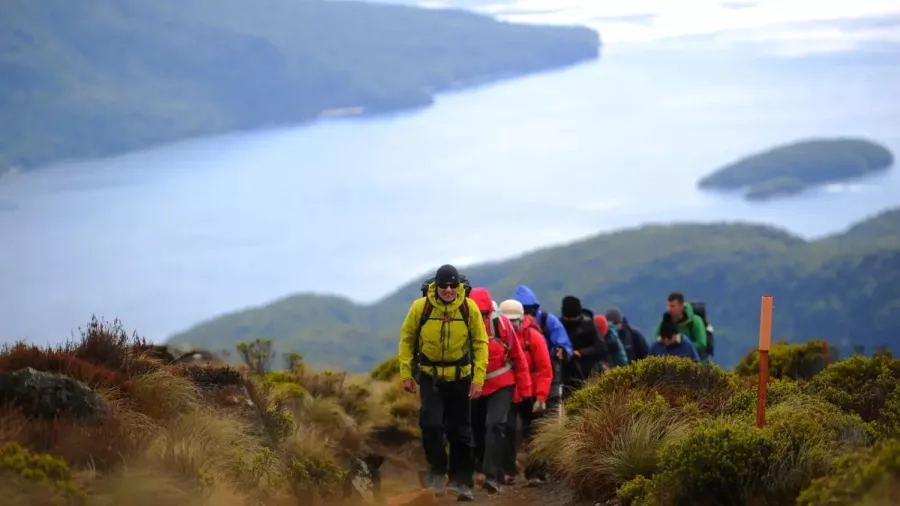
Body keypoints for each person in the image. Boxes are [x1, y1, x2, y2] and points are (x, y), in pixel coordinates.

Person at [398, 264, 489, 501]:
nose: (448, 290)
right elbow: (407, 339)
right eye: (443, 285)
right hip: (430, 377)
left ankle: (462, 482)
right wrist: (406, 374)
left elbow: (480, 343)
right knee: (431, 426)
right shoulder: (421, 307)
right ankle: (437, 470)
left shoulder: (469, 308)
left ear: (458, 286)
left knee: (462, 432)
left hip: (461, 378)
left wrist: (478, 379)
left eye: (452, 285)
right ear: (435, 286)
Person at [469, 288, 532, 494]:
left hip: (502, 384)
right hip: (474, 387)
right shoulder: (463, 329)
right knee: (477, 430)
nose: (481, 318)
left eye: (484, 314)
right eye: (476, 314)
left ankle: (491, 475)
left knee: (495, 425)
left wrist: (525, 390)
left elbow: (518, 357)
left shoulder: (502, 325)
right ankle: (484, 469)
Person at [497, 299, 553, 487]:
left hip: (531, 391)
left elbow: (545, 369)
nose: (512, 324)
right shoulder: (496, 339)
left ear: (522, 318)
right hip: (508, 392)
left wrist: (541, 396)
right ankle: (507, 471)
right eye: (508, 320)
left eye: (515, 320)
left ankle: (536, 472)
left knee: (534, 431)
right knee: (507, 429)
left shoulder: (534, 338)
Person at [512, 285, 573, 414]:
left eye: (529, 310)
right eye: (523, 311)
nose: (527, 315)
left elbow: (564, 343)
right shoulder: (511, 324)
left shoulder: (548, 320)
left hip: (549, 367)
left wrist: (562, 350)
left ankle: (549, 432)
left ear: (535, 308)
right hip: (524, 371)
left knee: (551, 407)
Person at [558, 296, 609, 398]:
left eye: (574, 318)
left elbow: (601, 347)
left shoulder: (589, 326)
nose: (571, 320)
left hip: (588, 374)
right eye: (568, 318)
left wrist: (581, 353)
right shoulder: (558, 325)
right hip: (565, 375)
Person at [653, 292, 709, 361]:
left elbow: (702, 344)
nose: (669, 309)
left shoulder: (695, 321)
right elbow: (657, 337)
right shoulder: (664, 320)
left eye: (672, 306)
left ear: (681, 307)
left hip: (693, 360)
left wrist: (682, 345)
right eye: (668, 306)